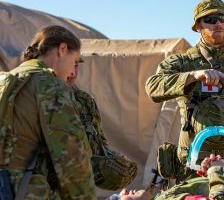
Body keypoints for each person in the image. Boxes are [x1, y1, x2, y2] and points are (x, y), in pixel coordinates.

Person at [145, 0, 224, 180]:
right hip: (191, 167)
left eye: (222, 18)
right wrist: (193, 76)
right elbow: (153, 87)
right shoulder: (182, 63)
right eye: (210, 20)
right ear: (198, 26)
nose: (218, 23)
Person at [0, 25, 96, 199]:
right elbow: (73, 161)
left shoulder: (6, 80)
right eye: (74, 61)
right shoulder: (48, 85)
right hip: (20, 189)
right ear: (62, 49)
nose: (73, 72)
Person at [66, 63, 138, 191]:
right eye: (68, 65)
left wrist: (111, 159)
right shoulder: (42, 99)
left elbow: (99, 141)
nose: (73, 72)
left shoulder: (83, 100)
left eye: (76, 65)